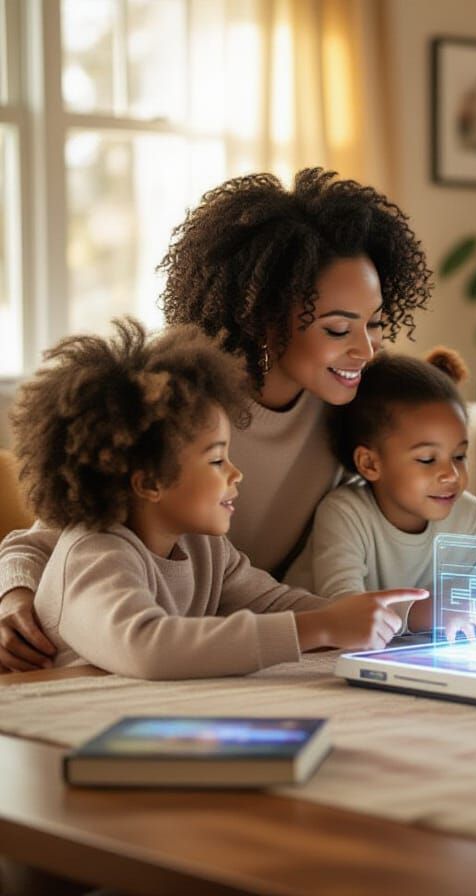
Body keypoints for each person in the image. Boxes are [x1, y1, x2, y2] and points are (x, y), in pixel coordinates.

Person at [0, 167, 432, 672]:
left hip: (238, 636)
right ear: (265, 322)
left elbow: (262, 589)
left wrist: (385, 613)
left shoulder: (355, 408)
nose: (365, 348)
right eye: (338, 329)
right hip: (130, 636)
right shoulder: (183, 398)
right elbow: (57, 534)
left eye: (375, 323)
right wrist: (14, 597)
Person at [13, 319, 425, 679]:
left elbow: (276, 602)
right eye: (216, 460)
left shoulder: (204, 548)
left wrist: (397, 617)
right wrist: (318, 629)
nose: (236, 472)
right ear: (149, 482)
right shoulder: (94, 556)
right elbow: (150, 647)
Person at [286, 348, 476, 640]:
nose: (452, 475)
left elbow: (475, 592)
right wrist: (424, 612)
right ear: (370, 463)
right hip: (319, 641)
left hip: (403, 644)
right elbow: (342, 606)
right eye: (427, 460)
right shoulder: (344, 513)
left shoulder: (470, 515)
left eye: (459, 456)